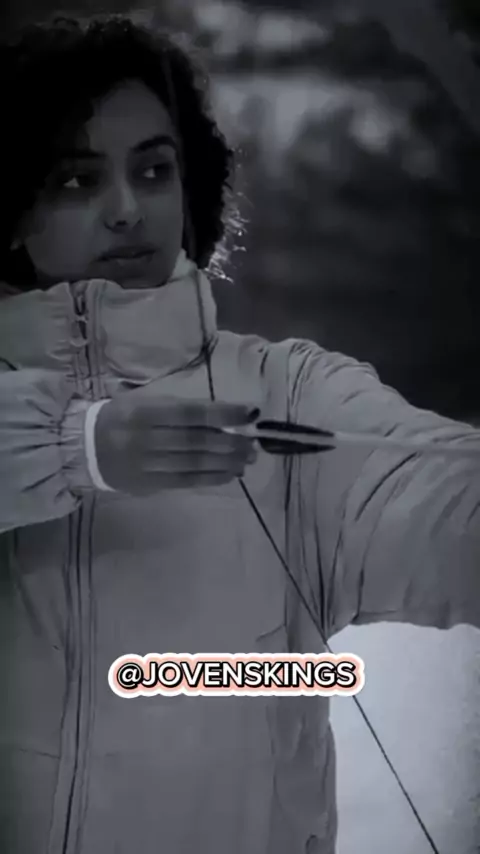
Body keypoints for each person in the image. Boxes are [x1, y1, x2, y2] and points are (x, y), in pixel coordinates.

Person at [0, 15, 478, 854]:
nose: (127, 209)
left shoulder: (286, 390)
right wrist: (72, 446)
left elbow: (440, 503)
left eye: (154, 170)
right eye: (77, 180)